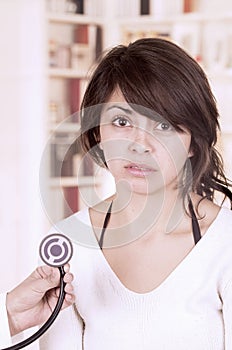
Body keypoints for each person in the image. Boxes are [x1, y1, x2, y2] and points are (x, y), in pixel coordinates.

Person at [1, 37, 232, 349]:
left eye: (164, 126)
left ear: (193, 142)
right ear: (98, 132)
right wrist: (10, 319)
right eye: (122, 121)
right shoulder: (69, 244)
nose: (139, 144)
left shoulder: (224, 243)